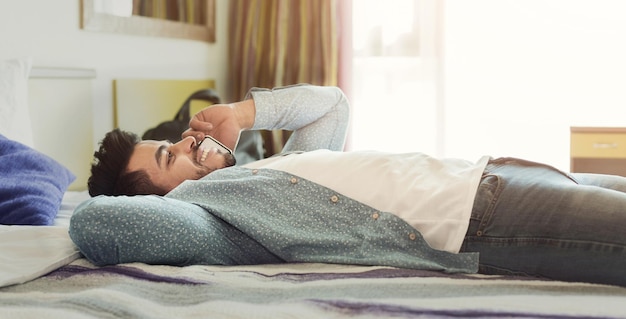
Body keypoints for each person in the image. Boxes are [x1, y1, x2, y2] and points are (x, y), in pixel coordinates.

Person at [74, 84, 626, 288]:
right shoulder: (218, 217)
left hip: (500, 172)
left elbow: (330, 105)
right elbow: (95, 221)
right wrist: (176, 194)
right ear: (160, 199)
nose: (190, 141)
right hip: (480, 218)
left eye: (177, 138)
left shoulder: (271, 168)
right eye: (170, 155)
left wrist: (243, 112)